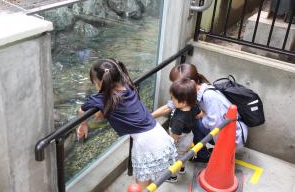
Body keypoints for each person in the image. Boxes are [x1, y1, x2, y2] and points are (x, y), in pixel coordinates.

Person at [76, 59, 177, 189]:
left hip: (146, 144)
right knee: (149, 181)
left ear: (100, 83)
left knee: (140, 185)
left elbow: (81, 111)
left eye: (94, 83)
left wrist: (84, 125)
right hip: (159, 134)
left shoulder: (101, 99)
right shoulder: (128, 85)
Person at [152, 63, 248, 153]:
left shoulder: (209, 97)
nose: (174, 87)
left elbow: (217, 125)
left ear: (191, 83)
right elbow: (170, 106)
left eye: (176, 83)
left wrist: (221, 152)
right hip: (223, 131)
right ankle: (202, 153)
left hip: (233, 138)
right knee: (189, 119)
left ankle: (203, 154)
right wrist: (150, 116)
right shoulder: (189, 93)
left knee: (189, 120)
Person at [167, 78, 202, 182]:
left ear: (183, 102)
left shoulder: (179, 119)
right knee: (184, 155)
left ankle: (172, 176)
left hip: (179, 140)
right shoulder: (194, 104)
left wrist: (168, 144)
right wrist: (190, 118)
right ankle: (182, 168)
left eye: (173, 98)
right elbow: (200, 114)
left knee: (175, 158)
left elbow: (174, 137)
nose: (171, 100)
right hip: (189, 136)